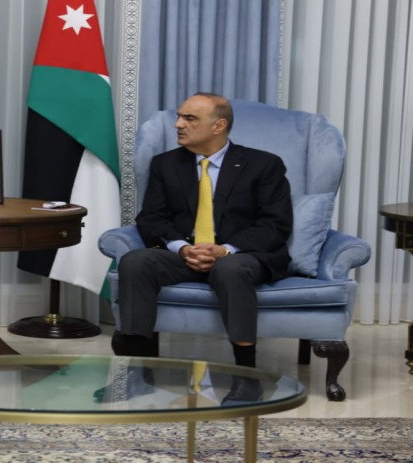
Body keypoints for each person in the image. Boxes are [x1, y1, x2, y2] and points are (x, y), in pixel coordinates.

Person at [105, 93, 293, 405]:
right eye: (179, 117)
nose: (178, 124)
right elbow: (151, 218)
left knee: (230, 268)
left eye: (189, 118)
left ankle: (247, 378)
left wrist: (225, 249)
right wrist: (181, 248)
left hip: (241, 256)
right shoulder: (165, 164)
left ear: (219, 125)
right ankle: (137, 373)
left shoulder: (263, 165)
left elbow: (275, 224)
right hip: (186, 255)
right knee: (135, 261)